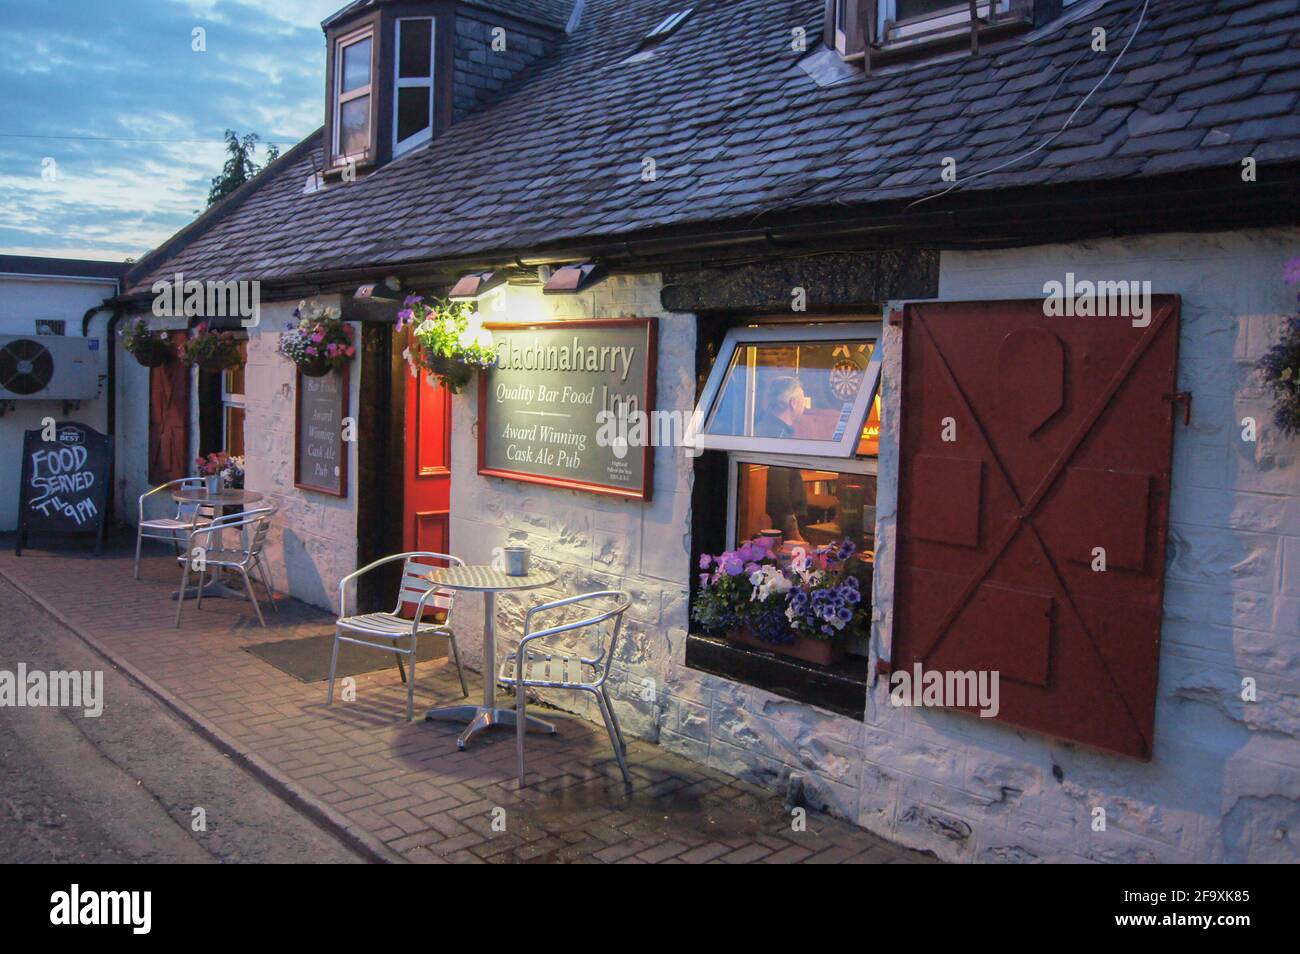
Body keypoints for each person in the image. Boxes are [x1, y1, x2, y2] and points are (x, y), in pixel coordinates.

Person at [756, 375, 808, 541]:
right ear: (793, 403)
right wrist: (793, 531)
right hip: (780, 529)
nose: (804, 406)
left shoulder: (766, 427)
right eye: (802, 400)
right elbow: (778, 490)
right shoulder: (779, 436)